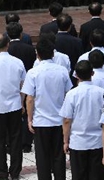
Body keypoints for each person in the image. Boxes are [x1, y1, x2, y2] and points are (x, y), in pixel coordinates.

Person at [22, 36, 72, 180]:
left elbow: (30, 98)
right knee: (58, 155)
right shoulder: (62, 71)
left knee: (42, 157)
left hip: (41, 120)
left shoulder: (33, 72)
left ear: (37, 54)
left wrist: (30, 119)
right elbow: (67, 93)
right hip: (59, 120)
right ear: (53, 53)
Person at [59, 60, 104, 180]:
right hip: (97, 142)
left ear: (76, 75)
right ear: (92, 73)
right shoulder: (102, 93)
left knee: (79, 176)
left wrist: (65, 141)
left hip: (78, 142)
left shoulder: (72, 94)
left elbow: (66, 120)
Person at [0, 34, 26, 180]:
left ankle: (2, 171)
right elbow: (24, 85)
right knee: (16, 139)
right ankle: (15, 171)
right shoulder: (17, 62)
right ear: (8, 45)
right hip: (14, 105)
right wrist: (21, 102)